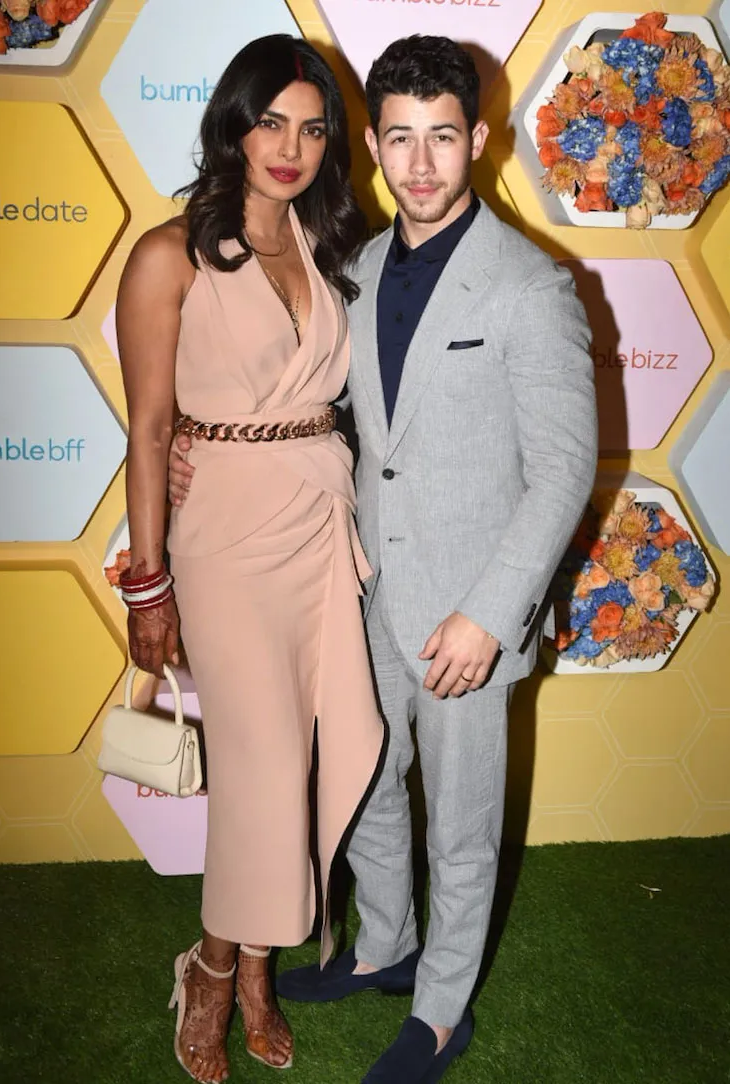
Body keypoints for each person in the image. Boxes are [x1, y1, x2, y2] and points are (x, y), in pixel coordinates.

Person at [170, 34, 598, 1084]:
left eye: (440, 139)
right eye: (398, 139)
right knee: (362, 785)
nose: (418, 164)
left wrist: (490, 612)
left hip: (468, 612)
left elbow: (563, 470)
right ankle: (382, 945)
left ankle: (439, 1011)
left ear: (478, 141)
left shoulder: (529, 284)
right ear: (370, 145)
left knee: (461, 822)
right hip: (359, 585)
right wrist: (194, 439)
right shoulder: (350, 269)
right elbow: (320, 409)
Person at [116, 33, 383, 1084]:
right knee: (264, 768)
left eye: (312, 129)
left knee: (323, 751)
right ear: (232, 122)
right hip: (223, 533)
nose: (290, 147)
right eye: (270, 121)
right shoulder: (166, 254)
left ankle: (254, 963)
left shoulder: (327, 244)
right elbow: (149, 429)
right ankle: (215, 973)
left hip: (318, 517)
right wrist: (149, 584)